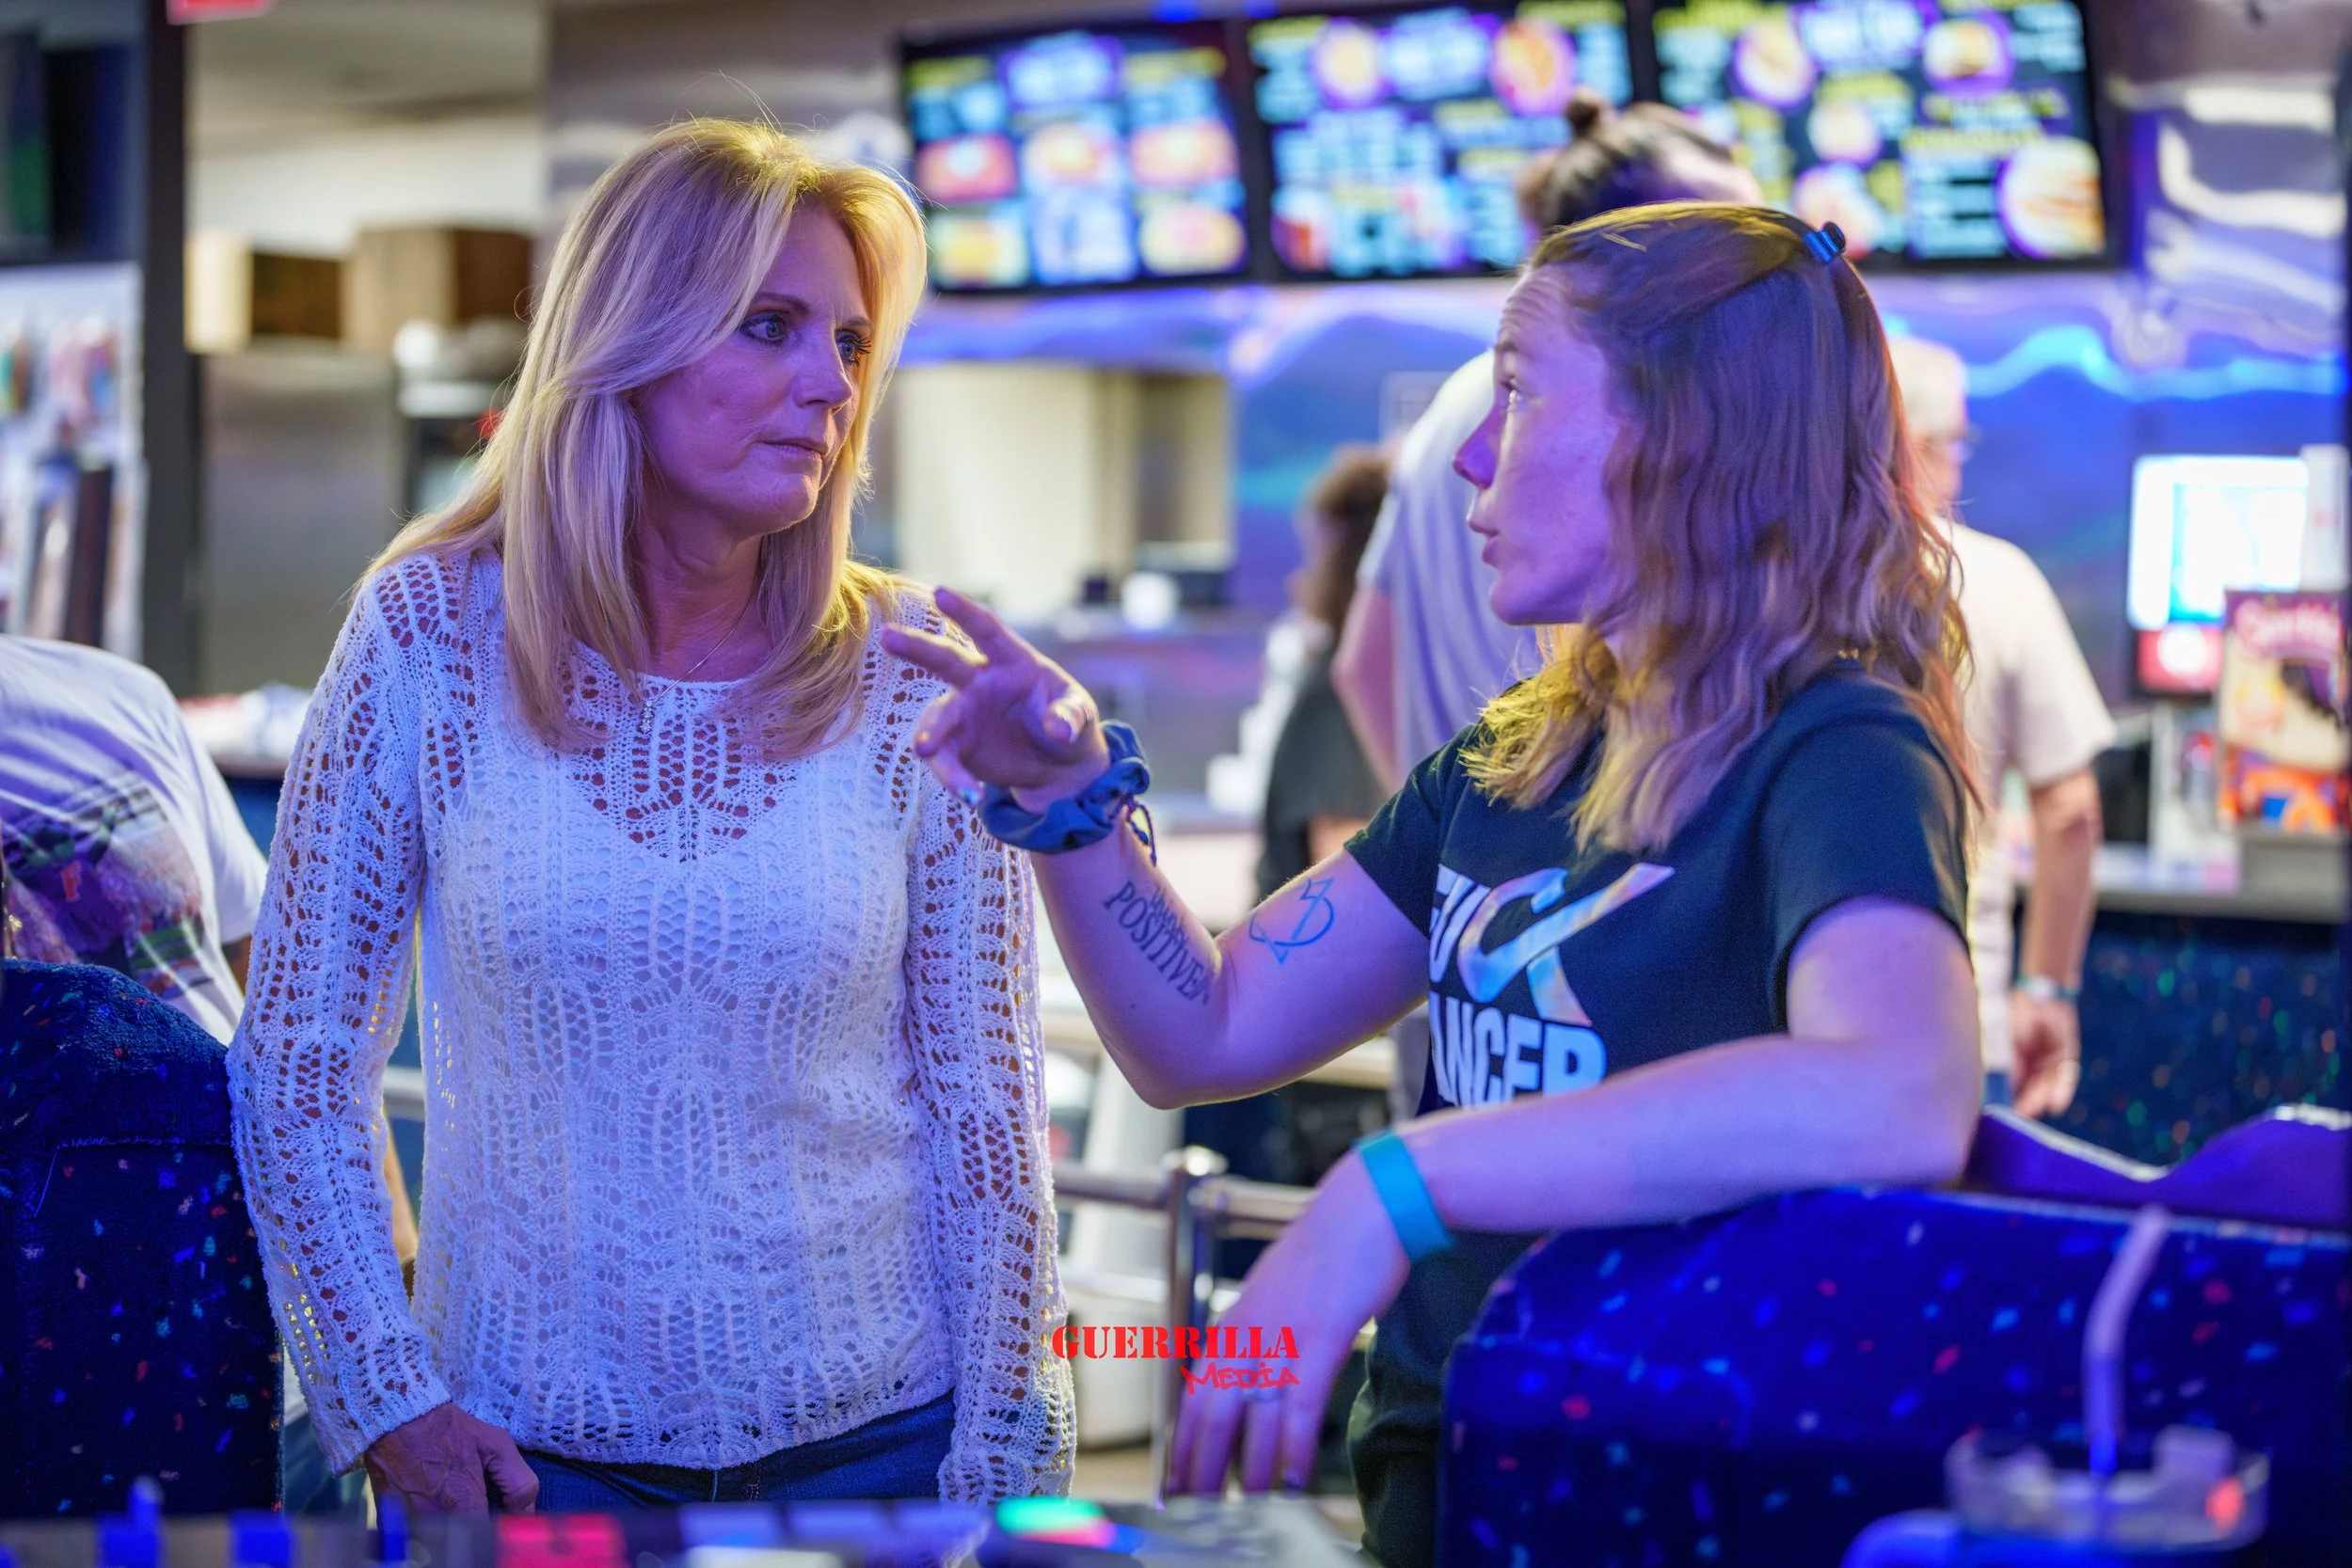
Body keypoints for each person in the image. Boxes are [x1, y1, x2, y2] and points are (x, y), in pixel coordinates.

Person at [888, 202, 1981, 1568]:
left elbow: (1900, 1089)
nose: (1471, 452)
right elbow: (1205, 1029)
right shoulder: (1520, 751)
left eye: (1518, 391)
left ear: (1679, 433)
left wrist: (1399, 1182)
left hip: (1671, 1487)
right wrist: (1067, 809)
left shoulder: (1837, 744)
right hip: (1452, 1462)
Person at [228, 119, 1073, 1513]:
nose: (829, 385)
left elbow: (987, 1113)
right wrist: (382, 1397)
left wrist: (1005, 1457)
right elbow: (302, 1056)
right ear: (627, 340)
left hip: (880, 1449)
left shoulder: (910, 666)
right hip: (525, 1464)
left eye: (853, 344)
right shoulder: (430, 635)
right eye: (770, 326)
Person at [1330, 93, 1760, 1122]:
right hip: (1579, 964)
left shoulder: (1448, 410)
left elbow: (1361, 658)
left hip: (1477, 953)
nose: (1755, 286)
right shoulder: (1540, 410)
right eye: (1728, 250)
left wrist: (1463, 869)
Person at [1889, 336, 2112, 1119]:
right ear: (1910, 444)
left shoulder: (1778, 582)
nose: (1959, 469)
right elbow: (2071, 810)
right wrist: (2048, 988)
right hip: (1964, 1021)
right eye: (1953, 445)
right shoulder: (2001, 581)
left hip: (1794, 1031)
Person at [1258, 447, 1389, 901]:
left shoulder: (1345, 680)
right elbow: (1345, 865)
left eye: (1314, 555)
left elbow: (1344, 864)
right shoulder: (1350, 678)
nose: (1301, 578)